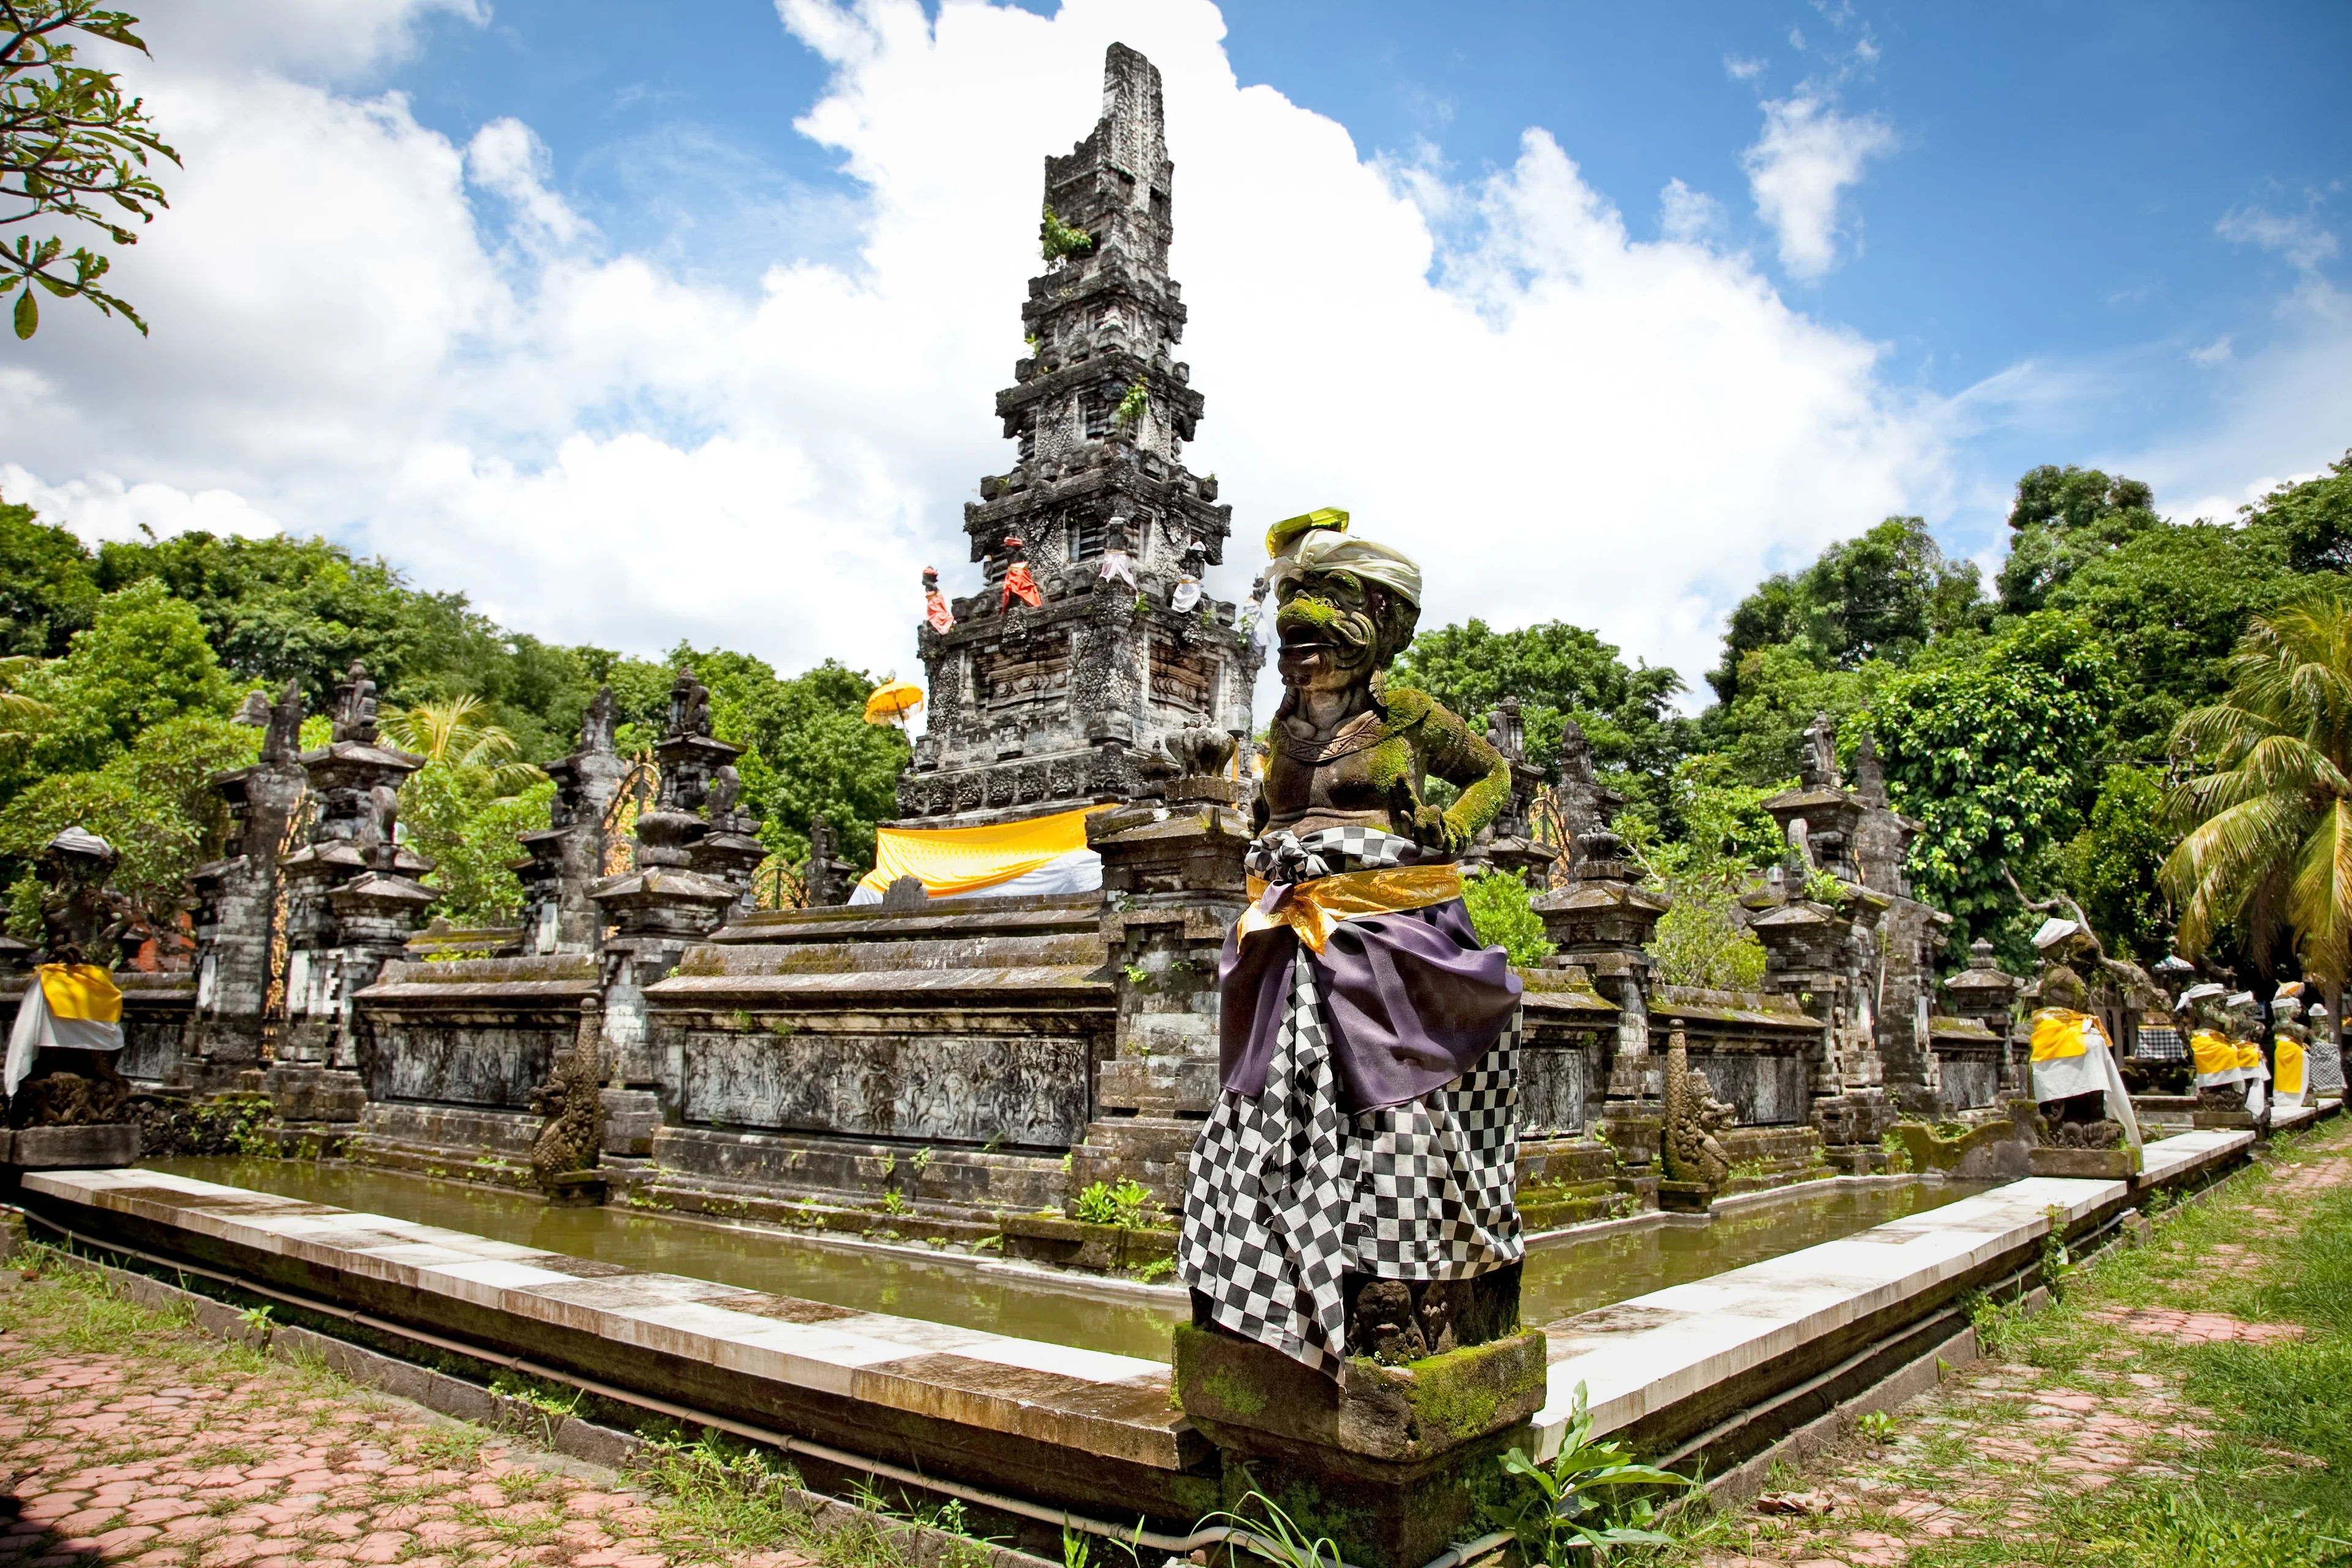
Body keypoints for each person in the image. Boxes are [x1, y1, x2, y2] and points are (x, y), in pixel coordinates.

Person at [1180, 509, 1521, 1377]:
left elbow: (1495, 773)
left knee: (1401, 1118)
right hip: (1291, 941)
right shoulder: (1279, 733)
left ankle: (1400, 1288)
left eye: (1328, 627)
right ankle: (1269, 1280)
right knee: (1268, 1110)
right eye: (1294, 635)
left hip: (1393, 932)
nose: (1308, 653)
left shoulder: (1403, 713)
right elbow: (1268, 812)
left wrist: (1448, 824)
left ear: (1379, 633)